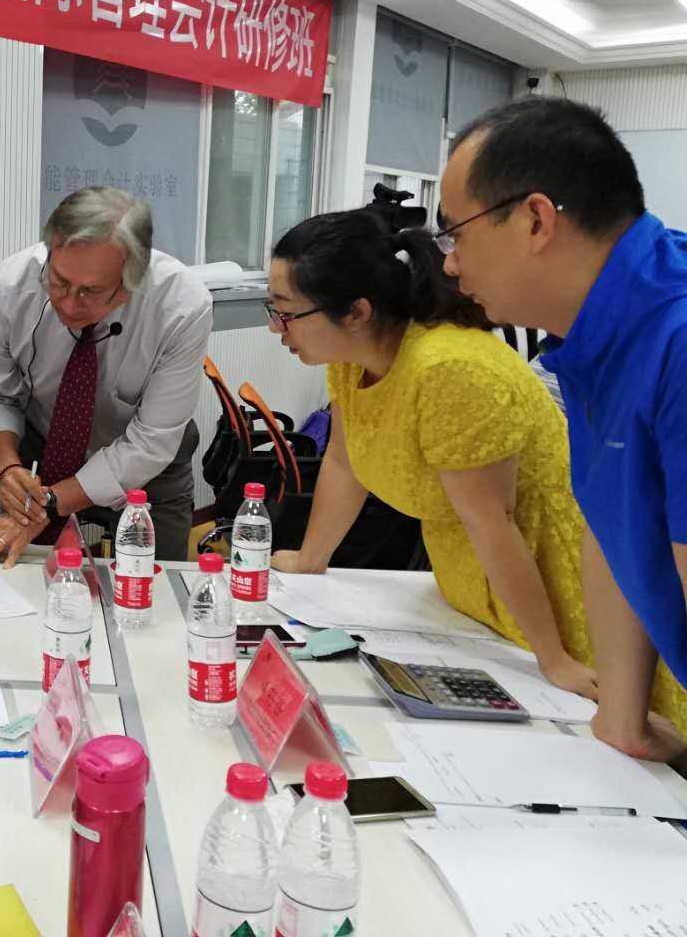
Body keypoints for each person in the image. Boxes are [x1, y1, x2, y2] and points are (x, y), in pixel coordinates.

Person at [265, 205, 628, 707]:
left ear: (357, 312)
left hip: (554, 589)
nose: (276, 329)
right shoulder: (352, 360)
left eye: (286, 312)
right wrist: (311, 560)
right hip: (472, 587)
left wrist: (555, 657)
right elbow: (346, 465)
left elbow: (492, 522)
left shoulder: (448, 371)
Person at [437, 96, 687, 762]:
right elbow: (614, 525)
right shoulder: (594, 330)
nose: (450, 265)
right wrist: (622, 721)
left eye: (456, 234)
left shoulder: (678, 340)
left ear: (536, 220)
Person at [0, 186, 213, 567]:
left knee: (151, 583)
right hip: (45, 447)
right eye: (59, 281)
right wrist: (9, 470)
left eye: (91, 292)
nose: (68, 303)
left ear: (131, 282)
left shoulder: (181, 307)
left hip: (150, 466)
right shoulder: (9, 288)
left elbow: (151, 441)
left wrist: (50, 502)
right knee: (22, 573)